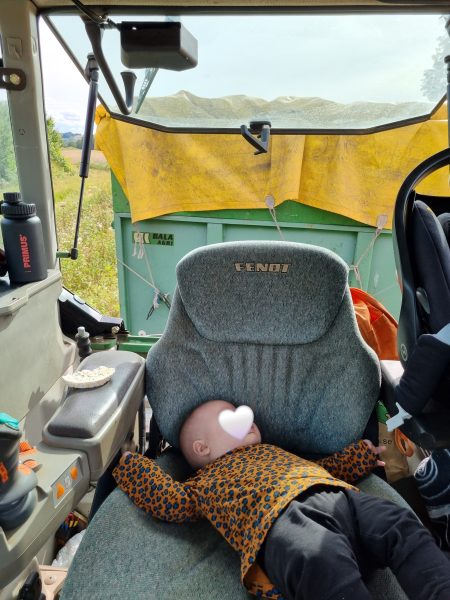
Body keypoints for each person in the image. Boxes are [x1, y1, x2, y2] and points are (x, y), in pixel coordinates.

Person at [112, 400, 450, 600]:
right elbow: (168, 500)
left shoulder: (273, 451)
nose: (246, 416)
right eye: (230, 414)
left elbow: (324, 468)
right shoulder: (201, 484)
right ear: (202, 448)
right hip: (281, 525)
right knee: (321, 565)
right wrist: (130, 466)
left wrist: (358, 456)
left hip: (337, 496)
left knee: (400, 524)